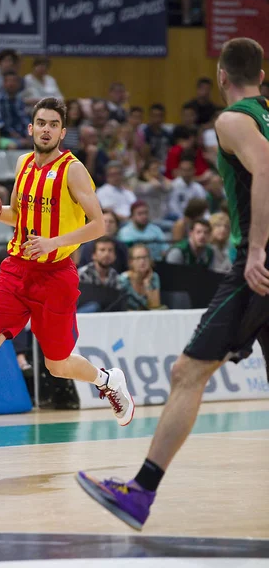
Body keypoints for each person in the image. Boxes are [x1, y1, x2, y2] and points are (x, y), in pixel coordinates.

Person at [76, 37, 269, 530]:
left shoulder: (232, 120)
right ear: (261, 76)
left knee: (187, 372)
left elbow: (266, 167)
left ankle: (140, 491)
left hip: (258, 269)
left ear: (222, 76)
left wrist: (257, 250)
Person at [0, 97, 135, 459]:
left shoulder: (73, 170)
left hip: (56, 276)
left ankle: (108, 380)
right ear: (30, 127)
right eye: (40, 123)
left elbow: (99, 225)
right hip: (16, 269)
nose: (46, 129)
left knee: (57, 364)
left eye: (53, 124)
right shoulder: (23, 163)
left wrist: (54, 241)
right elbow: (17, 214)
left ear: (63, 132)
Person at [119, 244, 161, 311]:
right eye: (138, 258)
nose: (142, 261)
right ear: (131, 262)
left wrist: (147, 284)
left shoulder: (154, 277)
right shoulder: (123, 279)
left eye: (145, 257)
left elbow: (155, 306)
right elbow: (120, 307)